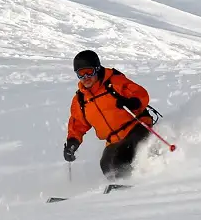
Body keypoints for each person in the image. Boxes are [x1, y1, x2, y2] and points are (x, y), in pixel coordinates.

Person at [63, 50, 153, 180]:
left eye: (89, 72)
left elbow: (140, 93)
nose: (85, 77)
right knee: (106, 164)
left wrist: (132, 102)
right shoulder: (81, 99)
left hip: (136, 127)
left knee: (121, 156)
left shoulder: (114, 83)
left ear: (97, 69)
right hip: (113, 139)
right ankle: (119, 189)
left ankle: (135, 183)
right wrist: (73, 142)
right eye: (81, 74)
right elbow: (78, 124)